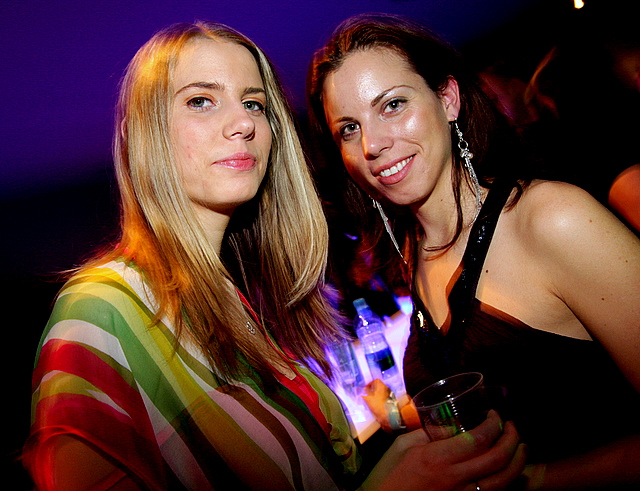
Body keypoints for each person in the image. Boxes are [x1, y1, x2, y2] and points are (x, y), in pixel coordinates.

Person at [23, 21, 526, 491]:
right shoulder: (101, 311)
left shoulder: (238, 299)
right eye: (201, 101)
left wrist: (395, 462)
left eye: (254, 103)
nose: (243, 122)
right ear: (143, 134)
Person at [307, 13, 640, 490]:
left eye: (393, 105)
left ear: (448, 99)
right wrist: (396, 414)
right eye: (349, 129)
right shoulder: (414, 249)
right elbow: (476, 386)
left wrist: (533, 480)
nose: (373, 144)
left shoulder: (552, 219)